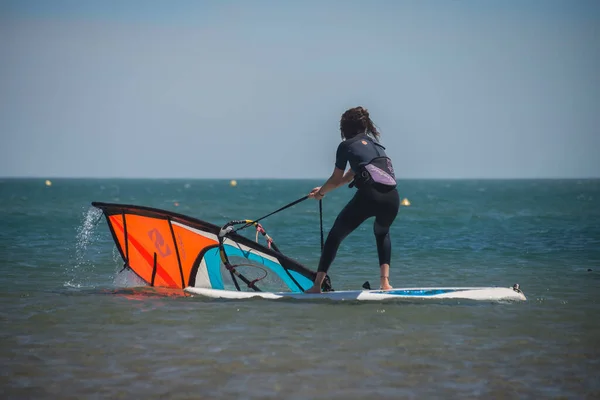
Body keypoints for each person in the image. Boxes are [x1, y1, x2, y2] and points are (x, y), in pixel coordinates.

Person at [305, 106, 400, 293]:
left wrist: (321, 194)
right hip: (392, 198)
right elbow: (349, 177)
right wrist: (322, 190)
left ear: (345, 128)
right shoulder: (375, 146)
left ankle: (316, 286)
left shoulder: (346, 145)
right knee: (382, 234)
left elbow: (335, 178)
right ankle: (385, 283)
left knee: (335, 236)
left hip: (370, 196)